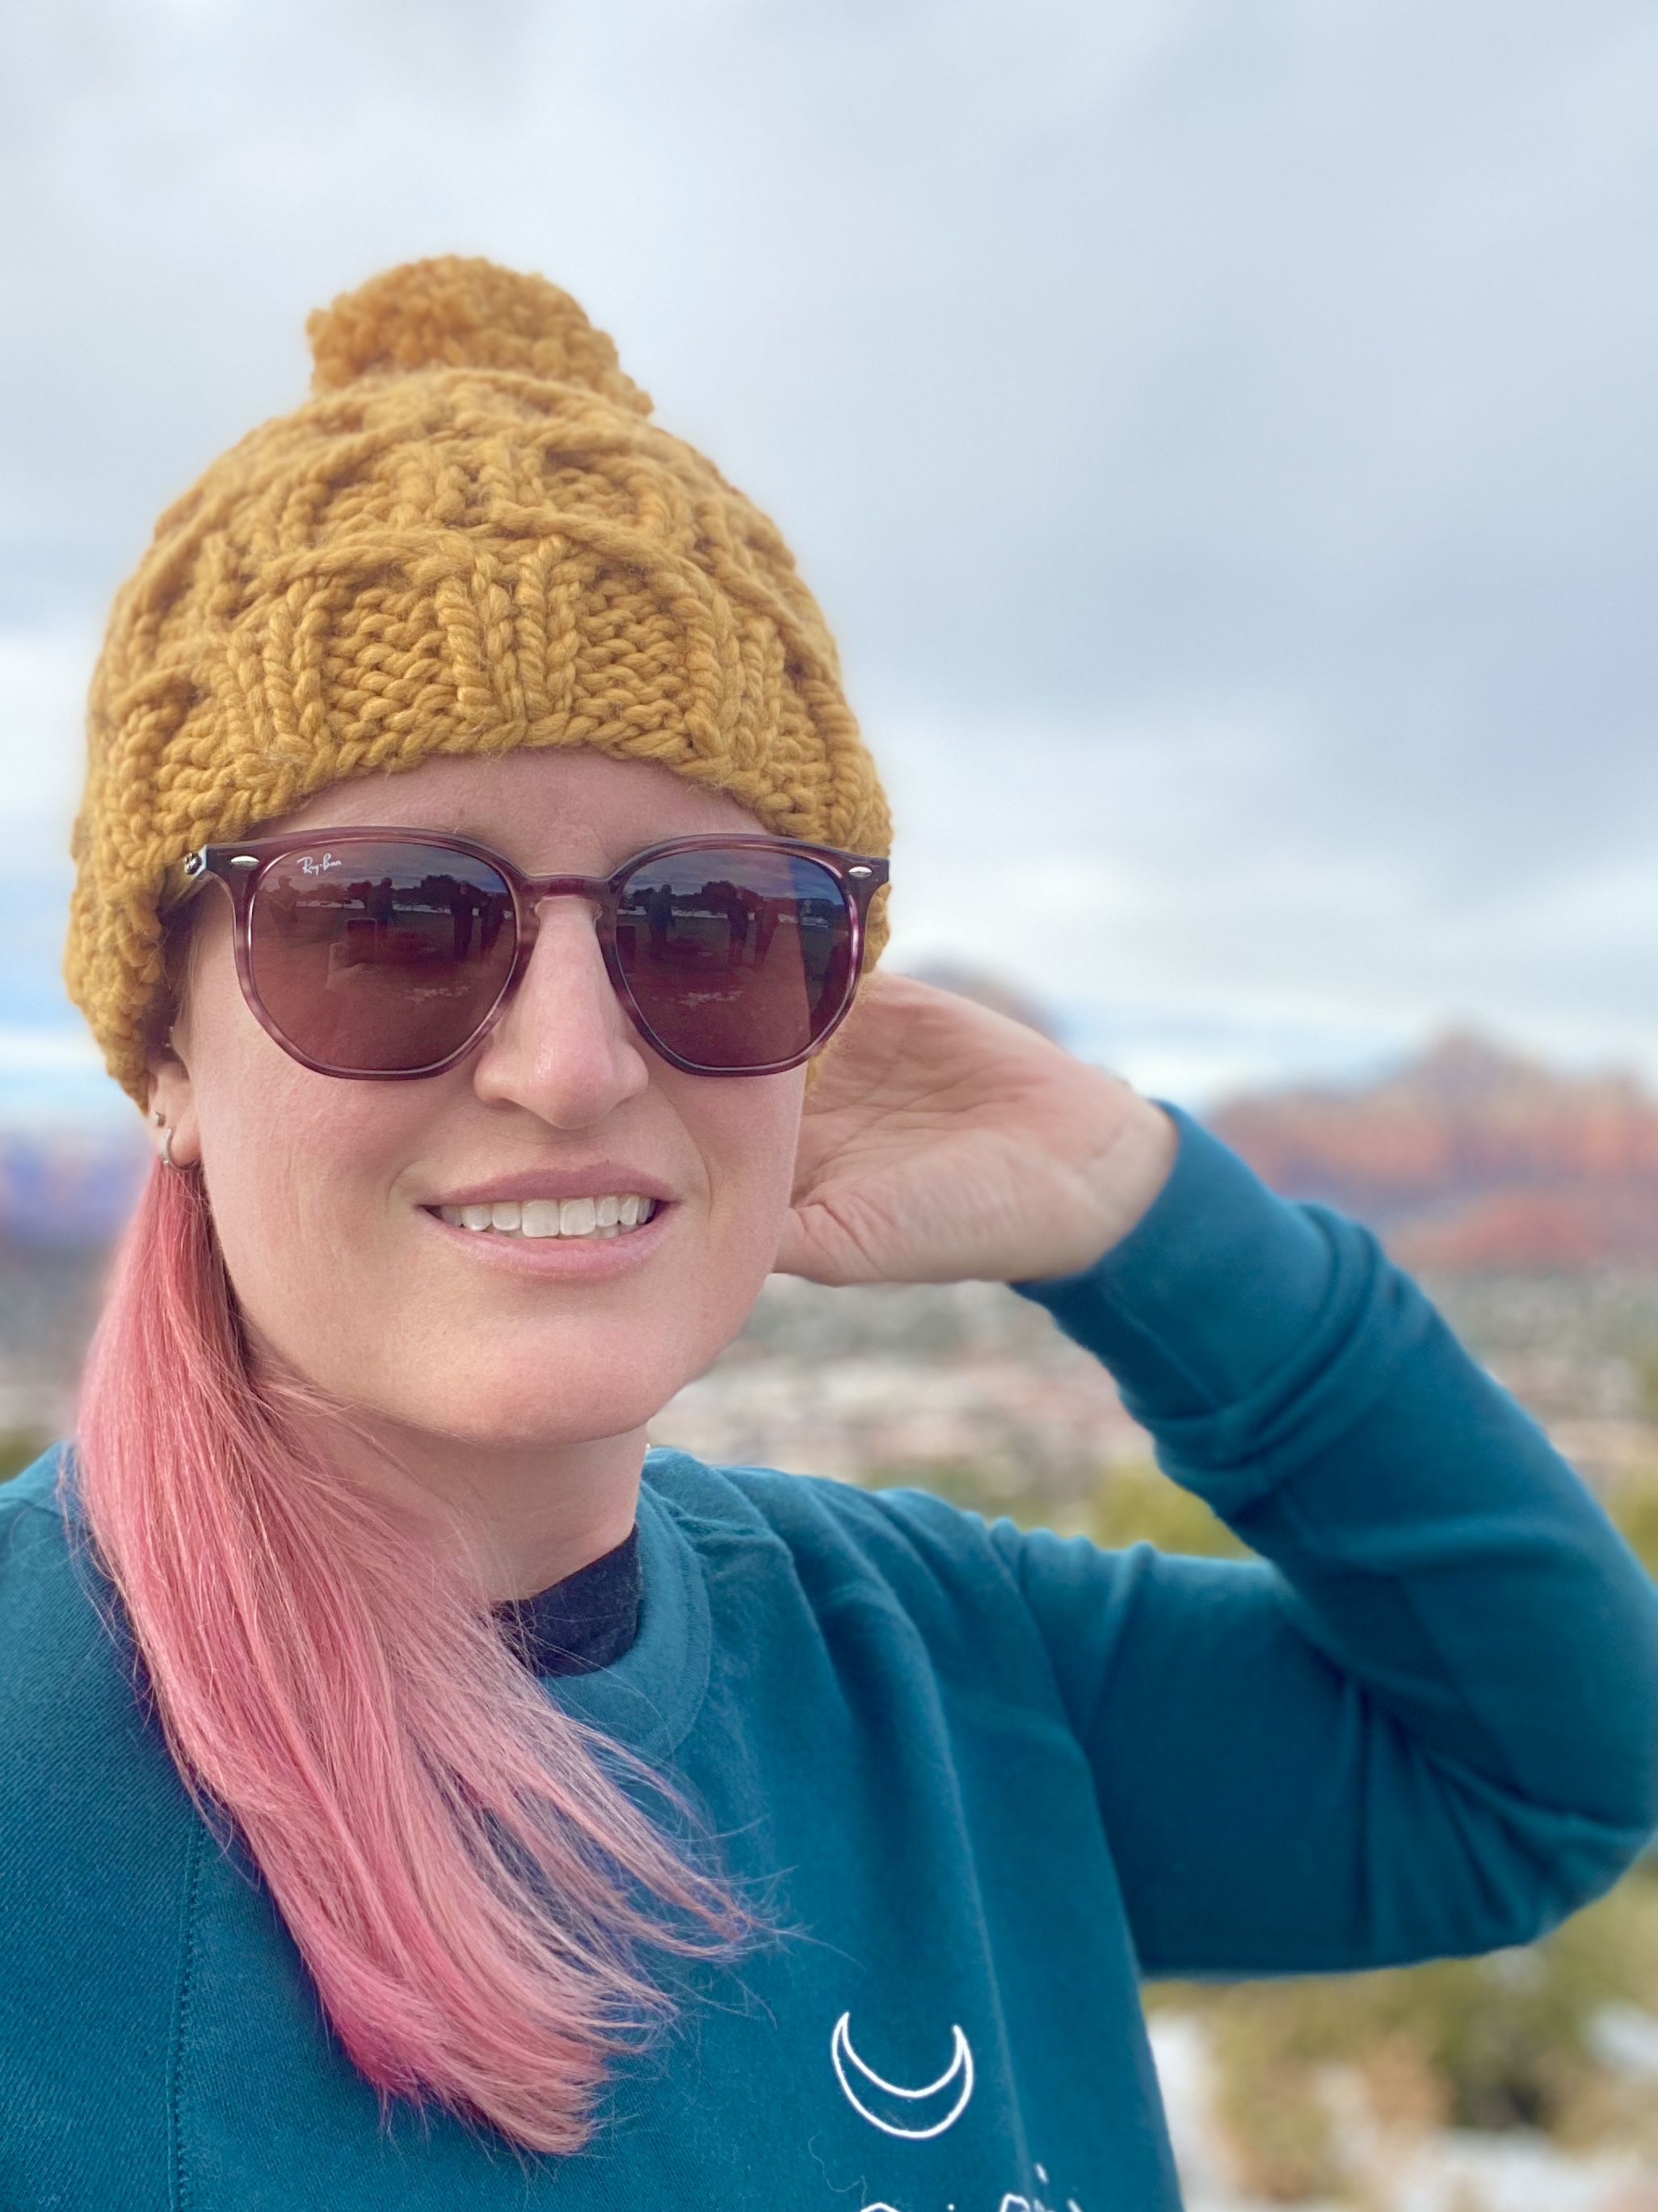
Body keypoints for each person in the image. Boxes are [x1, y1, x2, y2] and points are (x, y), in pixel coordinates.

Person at [2, 257, 1655, 2212]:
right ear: (162, 1049)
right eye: (393, 919)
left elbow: (1549, 1768)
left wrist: (1134, 1202)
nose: (568, 1059)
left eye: (703, 922)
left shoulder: (940, 1662)